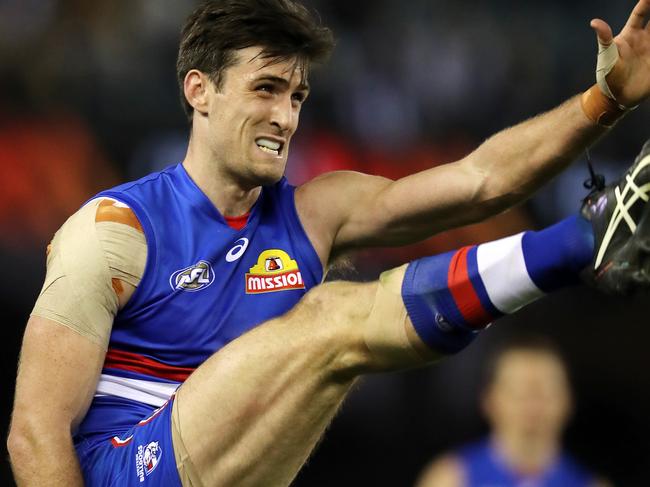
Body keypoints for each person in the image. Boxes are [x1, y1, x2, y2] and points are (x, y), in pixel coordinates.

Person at [7, 0, 650, 486]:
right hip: (124, 467)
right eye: (266, 88)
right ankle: (578, 243)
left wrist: (608, 98)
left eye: (297, 96)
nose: (286, 116)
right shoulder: (116, 230)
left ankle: (580, 241)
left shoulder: (317, 212)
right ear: (198, 90)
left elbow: (481, 182)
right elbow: (35, 435)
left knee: (335, 331)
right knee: (328, 317)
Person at [415, 335, 610, 487]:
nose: (533, 406)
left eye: (545, 392)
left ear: (568, 400)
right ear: (489, 400)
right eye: (519, 392)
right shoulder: (450, 479)